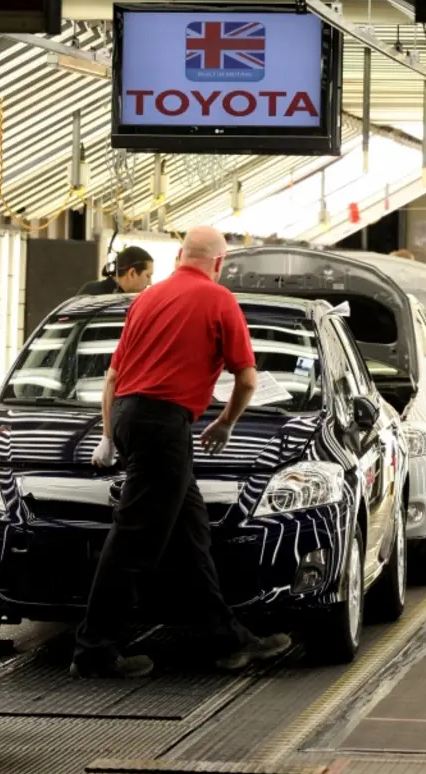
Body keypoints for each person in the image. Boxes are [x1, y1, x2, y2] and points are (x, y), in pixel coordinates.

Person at [71, 226, 291, 679]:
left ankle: (228, 640)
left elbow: (114, 377)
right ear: (219, 263)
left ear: (178, 256)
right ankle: (93, 650)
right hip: (164, 425)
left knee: (191, 535)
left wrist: (109, 434)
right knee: (134, 538)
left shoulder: (146, 299)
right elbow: (247, 380)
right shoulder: (219, 299)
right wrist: (225, 423)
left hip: (133, 418)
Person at [78, 246, 154, 296]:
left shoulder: (90, 289)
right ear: (132, 273)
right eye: (148, 276)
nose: (150, 283)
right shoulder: (92, 294)